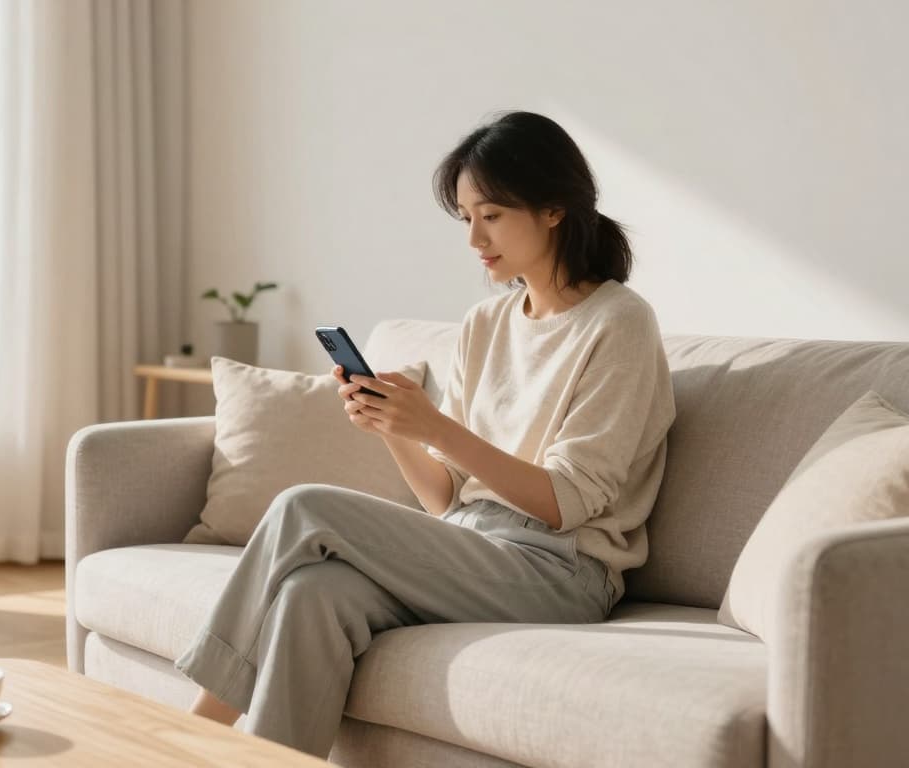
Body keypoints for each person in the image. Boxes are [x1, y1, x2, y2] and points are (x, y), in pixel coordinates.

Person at [174, 110, 677, 758]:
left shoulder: (619, 323)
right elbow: (446, 501)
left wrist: (435, 424)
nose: (474, 239)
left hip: (561, 571)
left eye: (491, 215)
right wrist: (394, 428)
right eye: (465, 217)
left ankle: (190, 735)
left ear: (554, 209)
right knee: (312, 594)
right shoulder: (485, 322)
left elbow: (565, 503)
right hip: (470, 544)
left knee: (304, 507)